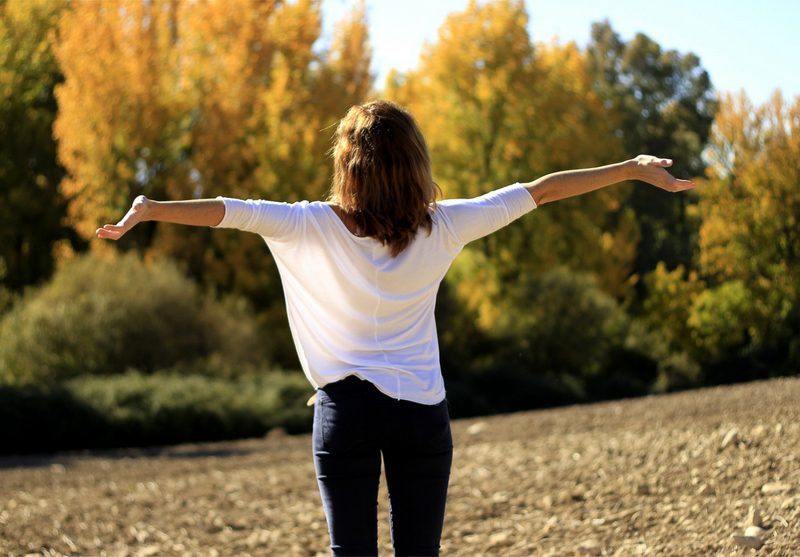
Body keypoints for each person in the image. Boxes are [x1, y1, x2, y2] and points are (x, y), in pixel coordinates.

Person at [97, 99, 695, 556]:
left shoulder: (306, 225)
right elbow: (542, 191)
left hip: (345, 414)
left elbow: (228, 210)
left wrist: (151, 211)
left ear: (347, 166)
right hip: (422, 414)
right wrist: (630, 169)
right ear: (415, 165)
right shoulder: (446, 225)